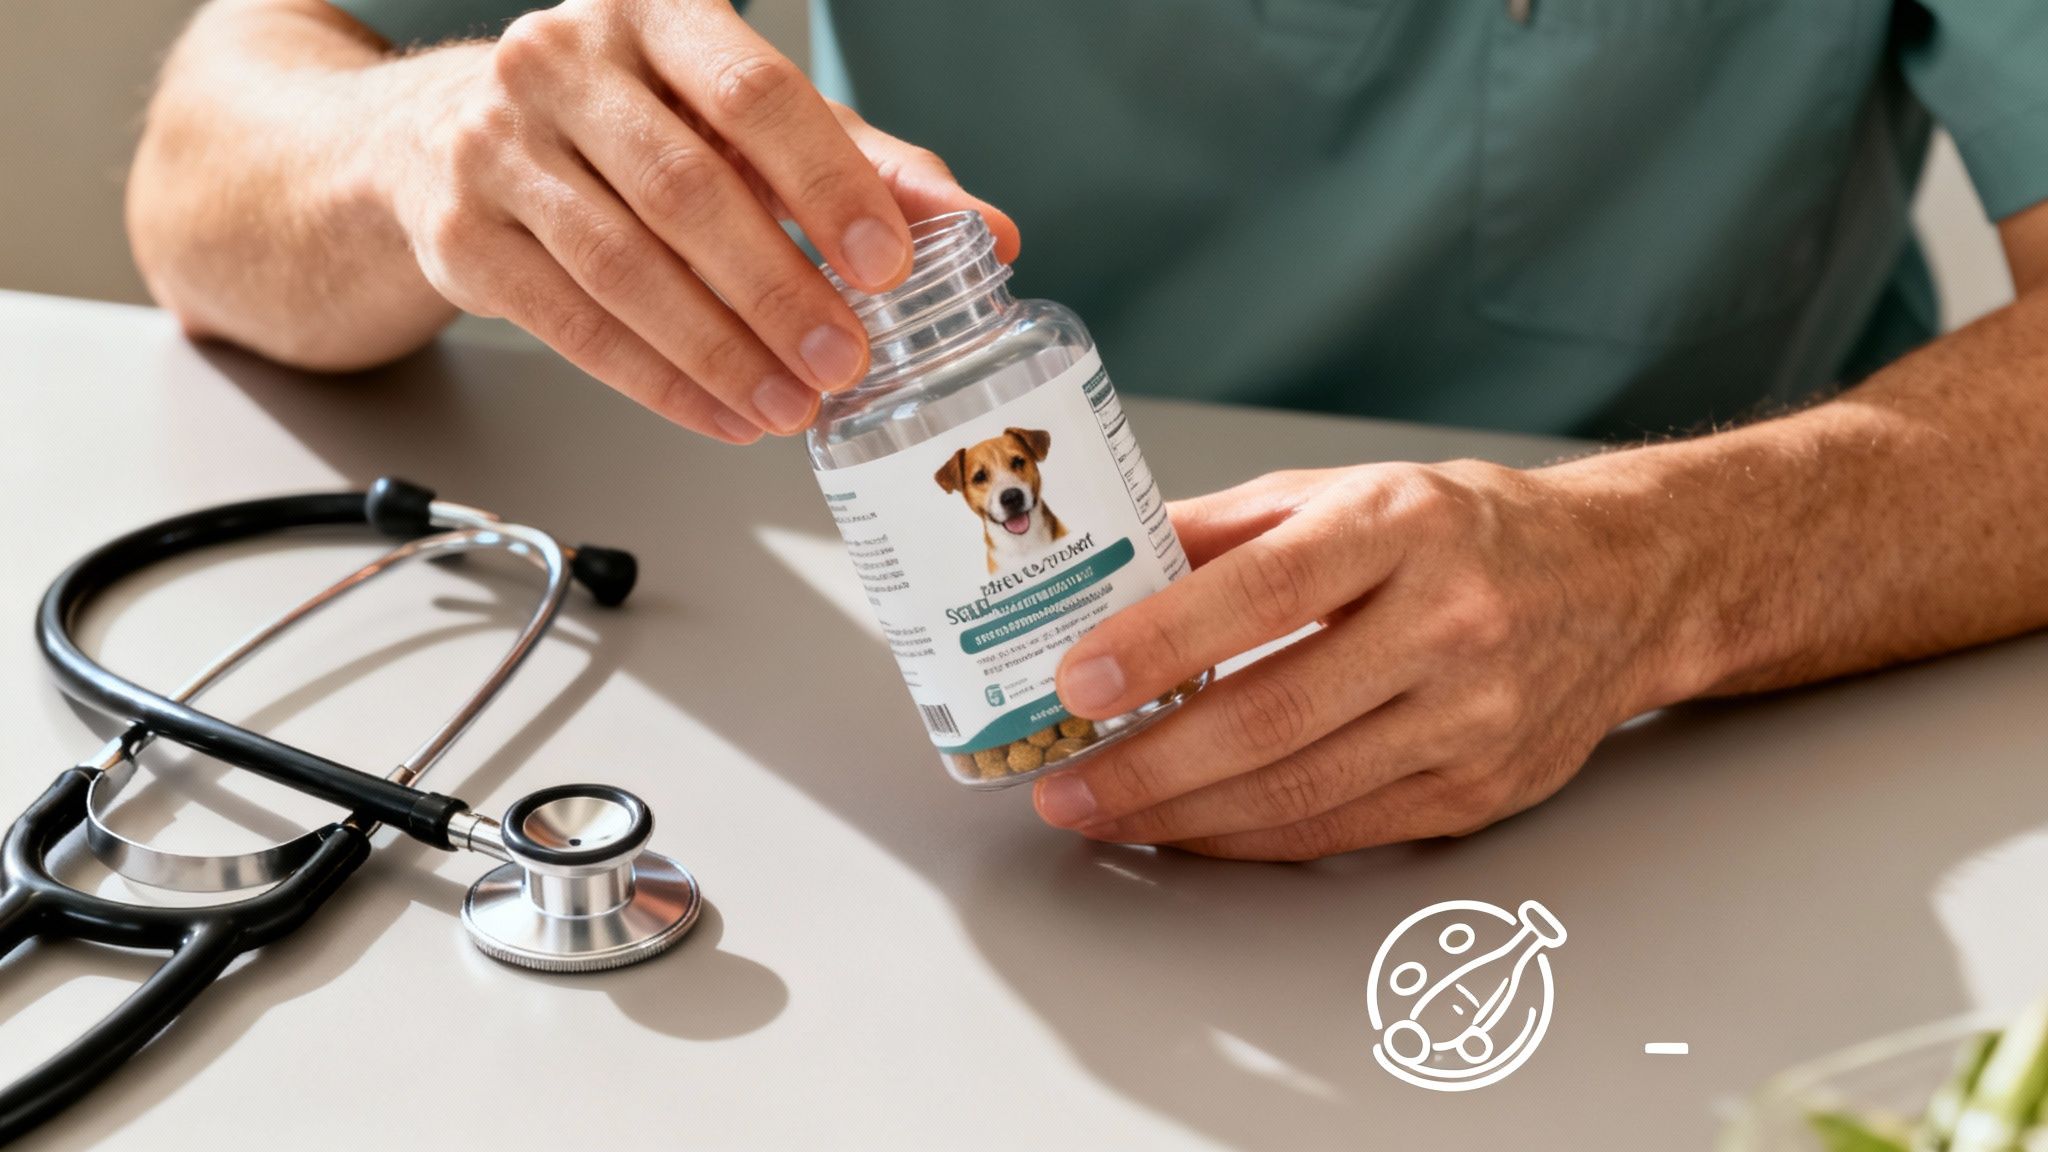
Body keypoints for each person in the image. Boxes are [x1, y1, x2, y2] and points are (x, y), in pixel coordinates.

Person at [127, 0, 2048, 861]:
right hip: (967, 801)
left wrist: (1657, 575)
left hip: (1714, 782)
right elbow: (211, 169)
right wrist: (423, 148)